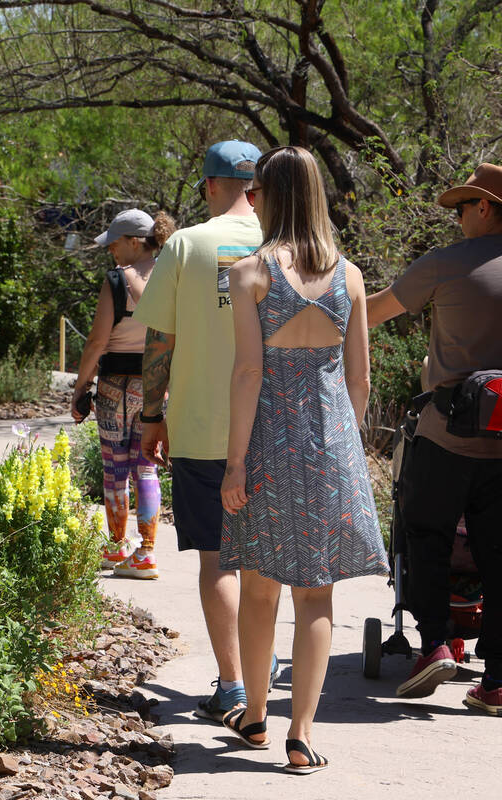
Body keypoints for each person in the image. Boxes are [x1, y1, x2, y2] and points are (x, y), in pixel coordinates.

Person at [219, 145, 389, 774]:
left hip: (268, 442)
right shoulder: (348, 276)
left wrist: (235, 463)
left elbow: (247, 373)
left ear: (267, 195)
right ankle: (301, 737)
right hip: (332, 444)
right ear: (317, 195)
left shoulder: (248, 275)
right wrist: (346, 445)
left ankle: (256, 717)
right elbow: (360, 380)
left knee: (260, 589)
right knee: (316, 598)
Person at [135, 139, 281, 722]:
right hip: (275, 428)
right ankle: (261, 664)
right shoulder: (286, 249)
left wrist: (151, 415)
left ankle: (234, 685)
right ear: (258, 189)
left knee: (218, 559)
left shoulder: (186, 245)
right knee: (266, 562)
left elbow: (159, 340)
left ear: (211, 185)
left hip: (201, 427)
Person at [365, 162, 502, 715]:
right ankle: (496, 680)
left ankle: (435, 645)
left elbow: (371, 312)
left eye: (464, 207)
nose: (459, 218)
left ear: (487, 207)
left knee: (426, 535)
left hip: (446, 437)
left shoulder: (445, 265)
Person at [71, 208, 177, 579]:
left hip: (115, 386)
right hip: (156, 388)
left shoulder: (117, 281)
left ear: (134, 242)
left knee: (115, 471)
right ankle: (146, 552)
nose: (112, 252)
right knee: (146, 468)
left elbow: (98, 341)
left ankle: (117, 547)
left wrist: (81, 386)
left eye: (115, 244)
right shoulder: (171, 277)